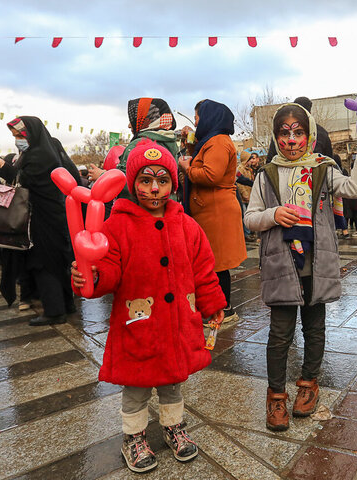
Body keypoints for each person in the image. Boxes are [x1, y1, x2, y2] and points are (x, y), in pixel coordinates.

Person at [70, 140, 226, 473]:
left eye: (162, 180)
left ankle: (173, 425)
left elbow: (203, 270)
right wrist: (91, 276)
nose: (154, 188)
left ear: (173, 183)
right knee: (137, 386)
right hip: (139, 324)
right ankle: (133, 437)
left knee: (172, 382)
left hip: (176, 323)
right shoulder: (117, 225)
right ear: (131, 183)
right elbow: (108, 269)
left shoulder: (186, 225)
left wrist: (212, 304)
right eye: (145, 180)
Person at [244, 104, 357, 432]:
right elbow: (250, 217)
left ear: (309, 135)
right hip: (281, 266)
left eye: (298, 132)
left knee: (314, 329)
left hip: (316, 266)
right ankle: (275, 396)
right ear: (275, 137)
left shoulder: (323, 169)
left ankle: (308, 384)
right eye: (284, 133)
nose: (291, 139)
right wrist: (272, 215)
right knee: (279, 335)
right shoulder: (266, 174)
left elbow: (355, 189)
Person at [2, 116, 75, 326]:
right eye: (15, 136)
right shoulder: (44, 152)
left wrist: (2, 165)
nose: (17, 140)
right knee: (57, 262)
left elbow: (23, 181)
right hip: (52, 217)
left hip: (43, 220)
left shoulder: (38, 156)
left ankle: (54, 311)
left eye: (19, 135)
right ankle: (66, 305)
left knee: (43, 263)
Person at [179, 100, 247, 322]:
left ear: (210, 117)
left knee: (217, 264)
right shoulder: (211, 141)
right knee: (213, 262)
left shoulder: (218, 142)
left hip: (217, 211)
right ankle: (218, 308)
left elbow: (210, 175)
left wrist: (187, 168)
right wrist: (190, 145)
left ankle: (224, 311)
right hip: (211, 210)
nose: (196, 121)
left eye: (197, 117)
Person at [117, 98, 178, 200]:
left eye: (134, 119)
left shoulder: (139, 145)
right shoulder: (169, 142)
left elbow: (130, 185)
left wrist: (103, 176)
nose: (129, 125)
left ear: (147, 120)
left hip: (140, 212)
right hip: (165, 208)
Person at [266, 96, 334, 161]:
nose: (292, 141)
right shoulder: (268, 171)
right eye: (284, 134)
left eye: (299, 133)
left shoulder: (326, 170)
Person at [236, 151, 260, 241]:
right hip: (243, 197)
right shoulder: (240, 169)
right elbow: (240, 183)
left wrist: (253, 184)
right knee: (244, 215)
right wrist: (245, 194)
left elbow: (243, 179)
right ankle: (246, 234)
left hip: (249, 195)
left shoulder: (248, 169)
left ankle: (249, 233)